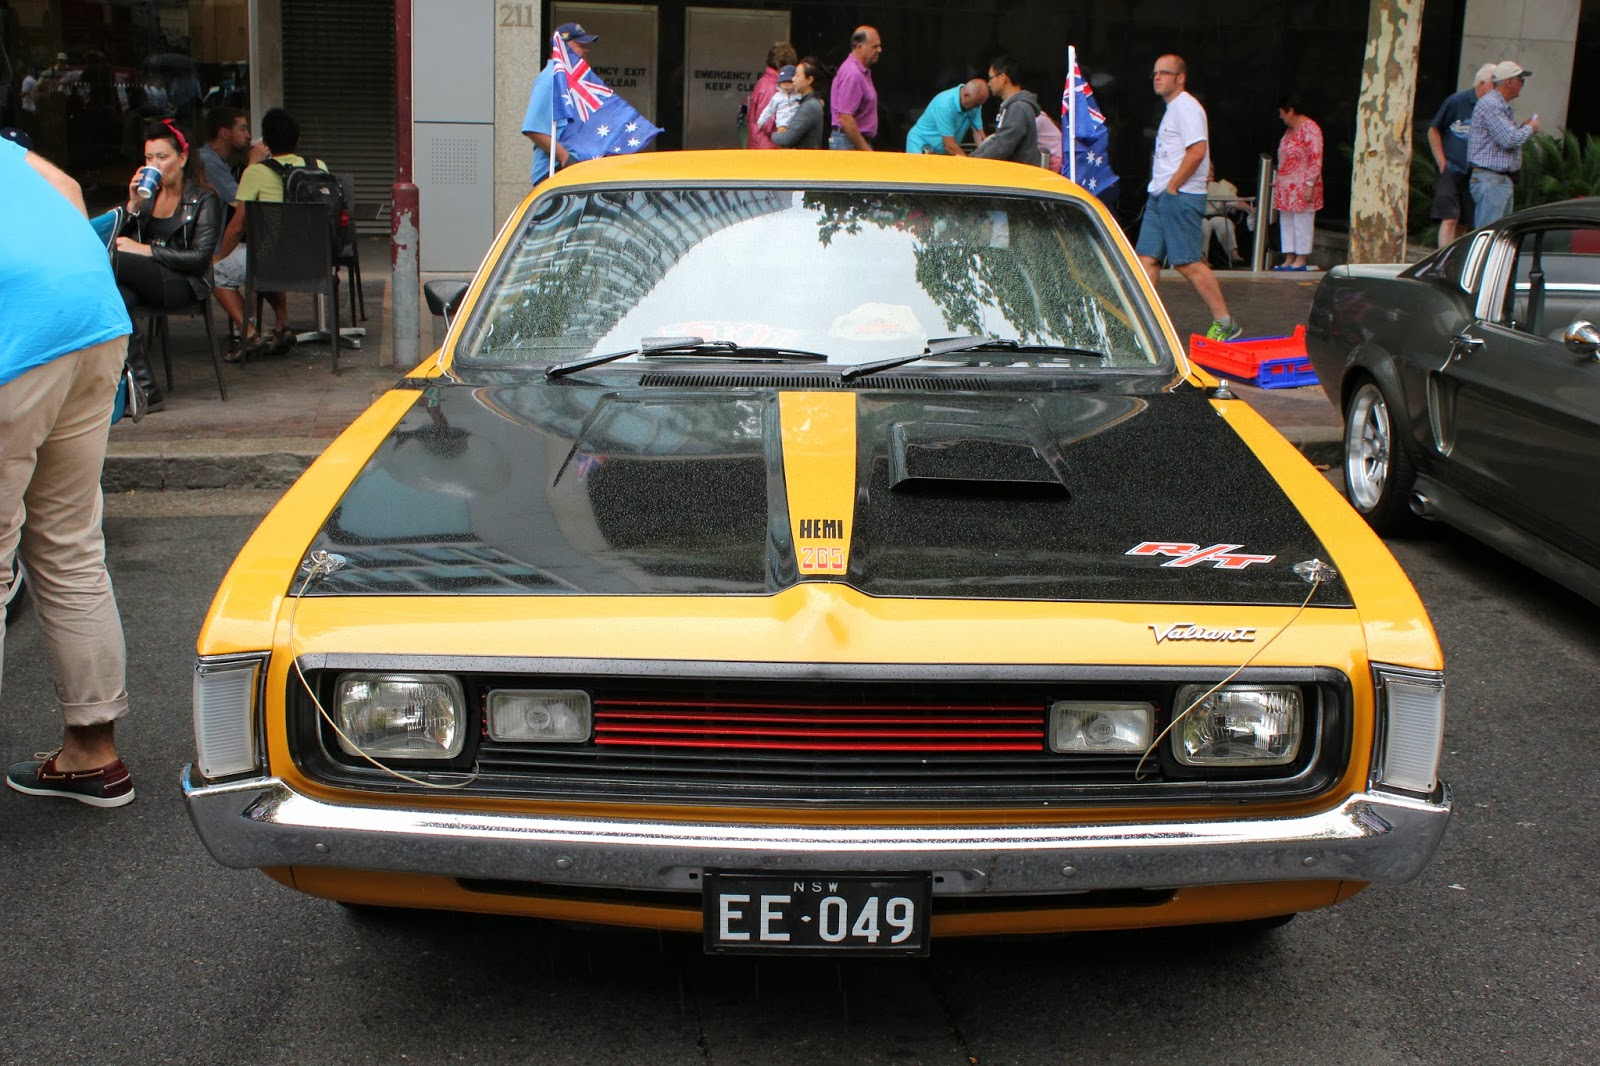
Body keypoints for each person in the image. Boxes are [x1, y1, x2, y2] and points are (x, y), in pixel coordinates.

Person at [1, 136, 137, 808]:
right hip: (91, 321)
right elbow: (73, 193)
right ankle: (92, 754)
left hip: (17, 336)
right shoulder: (12, 157)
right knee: (69, 545)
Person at [112, 119, 223, 410]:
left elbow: (200, 259)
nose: (155, 164)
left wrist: (146, 250)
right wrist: (133, 205)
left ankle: (134, 388)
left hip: (185, 283)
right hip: (150, 280)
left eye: (163, 157)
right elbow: (119, 239)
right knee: (116, 300)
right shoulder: (149, 197)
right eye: (149, 158)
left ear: (182, 158)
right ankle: (147, 390)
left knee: (110, 260)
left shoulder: (204, 199)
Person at [1135, 54, 1240, 341]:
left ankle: (1225, 321)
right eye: (1155, 72)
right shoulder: (1173, 108)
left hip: (1178, 195)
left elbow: (1197, 151)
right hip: (1160, 194)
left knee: (1187, 261)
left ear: (1180, 78)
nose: (1158, 77)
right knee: (1146, 259)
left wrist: (1174, 185)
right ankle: (1145, 325)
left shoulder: (1187, 108)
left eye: (1165, 73)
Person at [210, 107, 326, 361]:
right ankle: (282, 325)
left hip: (271, 263)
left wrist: (218, 257)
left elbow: (237, 226)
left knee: (217, 273)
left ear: (266, 143)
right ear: (298, 140)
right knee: (269, 253)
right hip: (315, 263)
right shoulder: (318, 167)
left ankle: (251, 334)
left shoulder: (256, 172)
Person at [1428, 63, 1497, 246]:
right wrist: (1442, 161)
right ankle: (1442, 258)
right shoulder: (1457, 101)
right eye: (1494, 83)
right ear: (1482, 83)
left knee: (1464, 221)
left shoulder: (1493, 108)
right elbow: (1434, 130)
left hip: (1474, 171)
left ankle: (1455, 259)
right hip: (1451, 167)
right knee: (1450, 217)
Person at [521, 22, 599, 183]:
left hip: (574, 171)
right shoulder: (550, 77)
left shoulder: (570, 79)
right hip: (555, 172)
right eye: (580, 45)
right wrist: (566, 159)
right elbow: (533, 129)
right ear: (561, 47)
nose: (586, 50)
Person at [1467, 60, 1540, 227]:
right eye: (1521, 80)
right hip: (1491, 179)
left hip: (1499, 180)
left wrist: (1523, 127)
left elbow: (1505, 136)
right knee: (1489, 235)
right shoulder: (1492, 105)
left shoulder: (1500, 105)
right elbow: (1509, 140)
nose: (1522, 84)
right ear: (1509, 82)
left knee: (1499, 235)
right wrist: (1530, 128)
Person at [1271, 94, 1323, 271]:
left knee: (1302, 222)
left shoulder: (1310, 129)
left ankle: (1300, 257)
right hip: (1286, 186)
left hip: (1302, 185)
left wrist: (1310, 184)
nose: (1281, 117)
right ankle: (1289, 256)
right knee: (1287, 221)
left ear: (1290, 111)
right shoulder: (1289, 131)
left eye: (1282, 113)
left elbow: (1315, 159)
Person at [971, 57, 1041, 166]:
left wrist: (972, 162)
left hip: (1018, 178)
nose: (988, 83)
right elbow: (997, 141)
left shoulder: (1018, 108)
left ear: (1002, 77)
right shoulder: (1014, 107)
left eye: (990, 78)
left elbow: (1002, 146)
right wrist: (971, 159)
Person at [830, 26, 882, 151]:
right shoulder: (853, 74)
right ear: (859, 47)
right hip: (848, 143)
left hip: (850, 141)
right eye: (874, 46)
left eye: (879, 46)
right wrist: (865, 149)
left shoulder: (860, 71)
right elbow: (845, 117)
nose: (880, 50)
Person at [905, 78, 988, 156]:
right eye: (976, 104)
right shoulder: (945, 104)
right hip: (921, 145)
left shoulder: (975, 102)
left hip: (942, 151)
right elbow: (950, 146)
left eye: (979, 105)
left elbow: (978, 132)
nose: (977, 108)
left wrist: (987, 156)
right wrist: (970, 164)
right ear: (966, 95)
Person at [746, 41, 798, 150]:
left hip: (760, 145)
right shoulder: (773, 87)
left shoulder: (765, 82)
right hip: (768, 148)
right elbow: (768, 123)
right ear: (779, 65)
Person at [198, 106, 250, 204]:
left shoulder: (219, 160)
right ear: (224, 133)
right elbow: (239, 201)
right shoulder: (208, 161)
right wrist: (253, 165)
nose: (248, 135)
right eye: (242, 129)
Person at [772, 59, 827, 149]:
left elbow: (788, 139)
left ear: (809, 80)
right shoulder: (809, 103)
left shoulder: (810, 106)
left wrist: (774, 135)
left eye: (797, 76)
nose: (793, 79)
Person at [1202, 163, 1250, 267]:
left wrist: (1250, 209)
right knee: (1204, 224)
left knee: (1224, 223)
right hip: (1197, 218)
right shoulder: (1189, 186)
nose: (1210, 173)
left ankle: (1233, 254)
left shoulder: (1221, 187)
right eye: (1207, 170)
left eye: (1212, 170)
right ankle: (1202, 257)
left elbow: (1235, 202)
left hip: (1215, 216)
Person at [756, 66, 802, 141]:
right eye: (784, 82)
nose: (786, 85)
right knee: (784, 145)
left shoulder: (799, 95)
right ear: (779, 83)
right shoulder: (777, 97)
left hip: (796, 126)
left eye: (790, 82)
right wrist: (761, 121)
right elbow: (769, 110)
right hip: (782, 126)